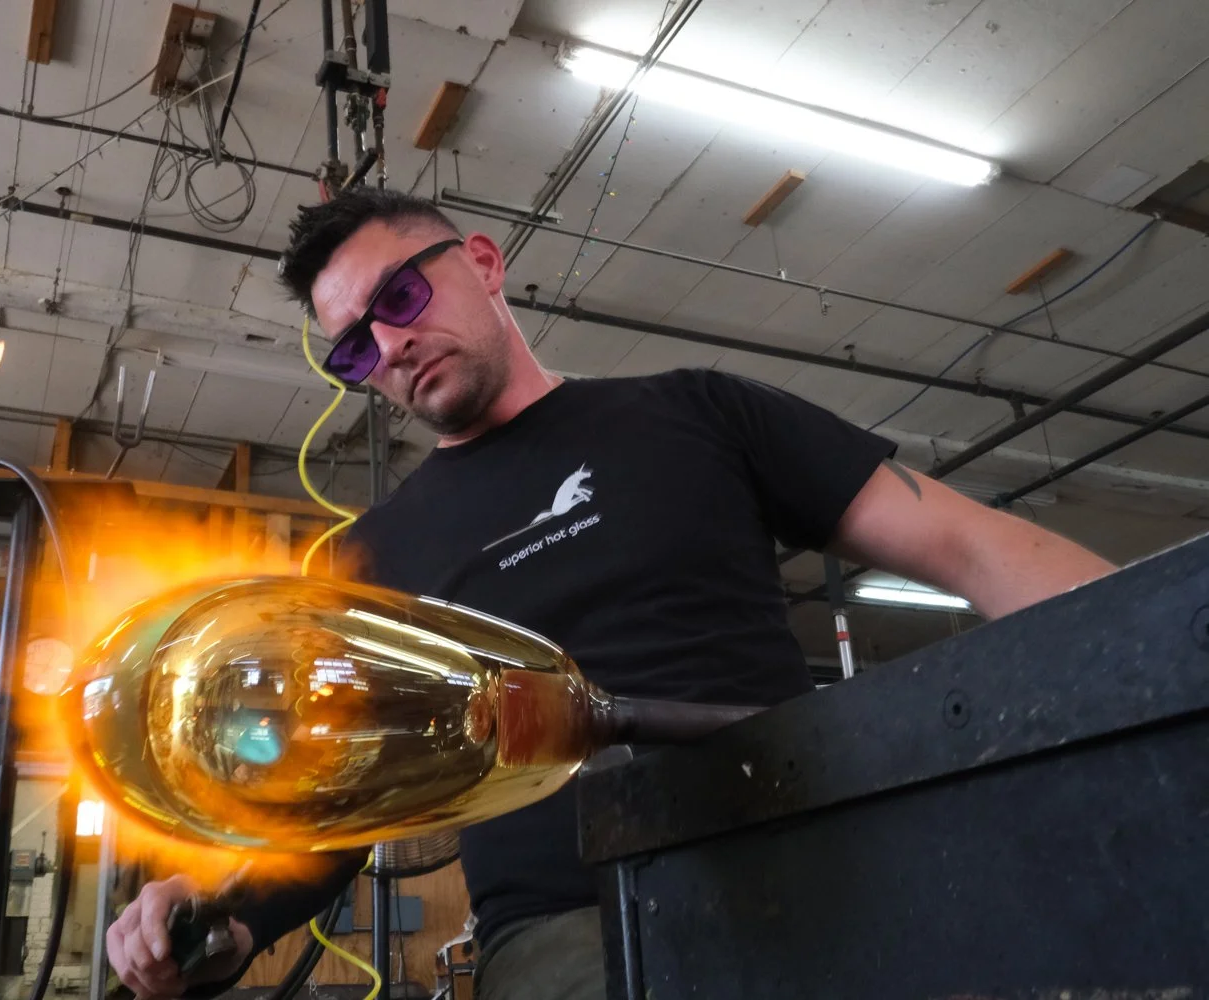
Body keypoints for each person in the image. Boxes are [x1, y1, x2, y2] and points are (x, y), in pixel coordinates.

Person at [105, 188, 1116, 1000]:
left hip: (811, 857)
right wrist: (224, 914)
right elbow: (334, 819)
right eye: (356, 347)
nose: (390, 345)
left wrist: (1160, 650)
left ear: (485, 264)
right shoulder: (363, 564)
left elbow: (975, 549)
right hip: (564, 931)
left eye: (399, 300)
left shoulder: (697, 413)